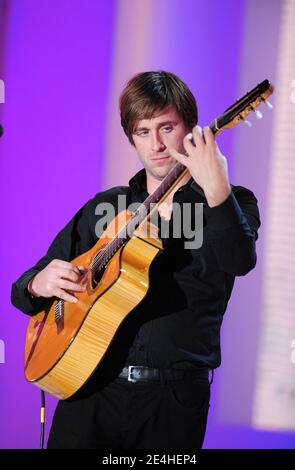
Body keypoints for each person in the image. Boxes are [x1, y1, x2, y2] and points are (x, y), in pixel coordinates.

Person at [11, 70, 260, 449]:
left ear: (190, 128)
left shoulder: (230, 200)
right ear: (132, 138)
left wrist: (216, 188)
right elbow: (24, 288)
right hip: (89, 388)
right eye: (143, 132)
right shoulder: (105, 206)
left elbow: (239, 260)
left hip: (172, 403)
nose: (157, 144)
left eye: (166, 127)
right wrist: (38, 282)